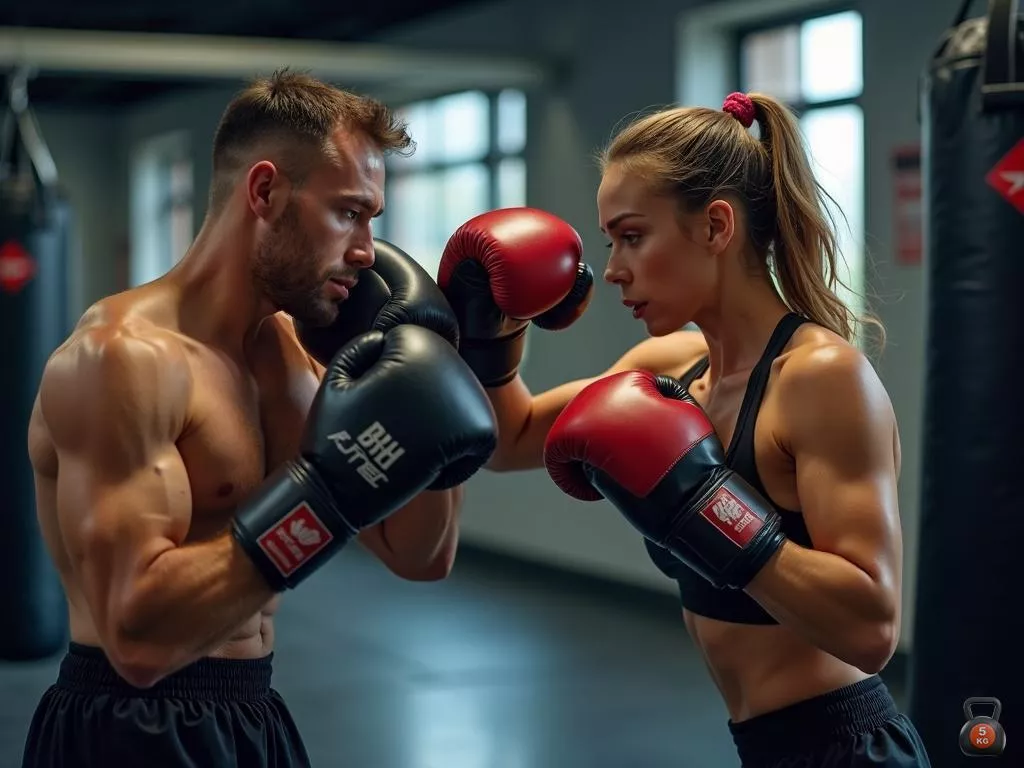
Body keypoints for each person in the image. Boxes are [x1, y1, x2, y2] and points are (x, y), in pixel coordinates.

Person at [434, 92, 931, 767]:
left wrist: (707, 510)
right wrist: (489, 332)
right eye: (610, 242)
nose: (611, 270)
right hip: (760, 746)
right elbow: (512, 438)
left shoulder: (818, 377)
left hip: (848, 748)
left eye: (633, 236)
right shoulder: (670, 369)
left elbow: (871, 627)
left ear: (716, 226)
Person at [22, 69, 499, 768]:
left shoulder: (298, 362)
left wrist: (446, 360)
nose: (368, 251)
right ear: (266, 191)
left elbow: (421, 555)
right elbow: (137, 642)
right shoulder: (122, 360)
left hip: (253, 712)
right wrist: (325, 496)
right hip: (126, 728)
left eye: (373, 220)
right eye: (349, 212)